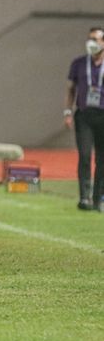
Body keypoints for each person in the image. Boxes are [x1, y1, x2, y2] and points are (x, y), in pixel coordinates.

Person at [65, 26, 104, 212]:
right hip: (84, 116)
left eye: (95, 39)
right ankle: (84, 198)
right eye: (90, 38)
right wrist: (67, 111)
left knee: (102, 160)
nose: (91, 43)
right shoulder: (79, 63)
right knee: (85, 156)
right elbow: (71, 89)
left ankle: (98, 200)